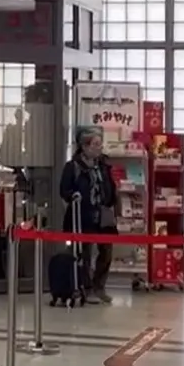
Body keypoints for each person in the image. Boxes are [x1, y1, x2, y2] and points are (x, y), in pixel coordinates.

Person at [59, 125, 114, 304]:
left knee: (106, 251)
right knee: (85, 253)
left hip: (103, 215)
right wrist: (74, 196)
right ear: (85, 146)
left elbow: (109, 185)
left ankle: (100, 285)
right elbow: (64, 190)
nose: (100, 147)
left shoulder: (104, 165)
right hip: (82, 215)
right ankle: (87, 288)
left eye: (100, 144)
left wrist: (111, 198)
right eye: (96, 144)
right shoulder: (73, 166)